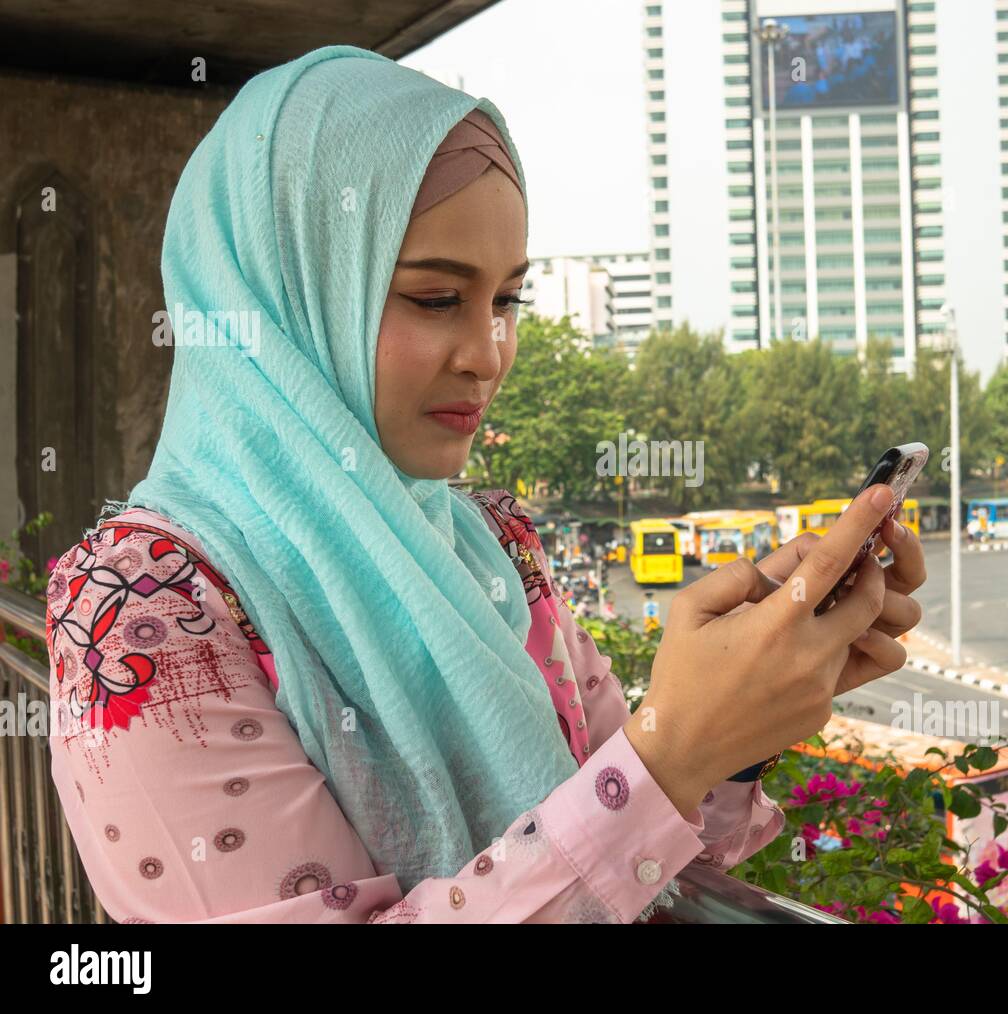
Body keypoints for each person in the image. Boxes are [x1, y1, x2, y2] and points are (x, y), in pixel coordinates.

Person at [43, 47, 926, 925]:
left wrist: (737, 719)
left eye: (508, 301)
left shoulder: (491, 549)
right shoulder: (140, 612)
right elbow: (631, 803)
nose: (489, 354)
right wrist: (670, 754)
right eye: (436, 299)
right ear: (284, 297)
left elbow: (644, 838)